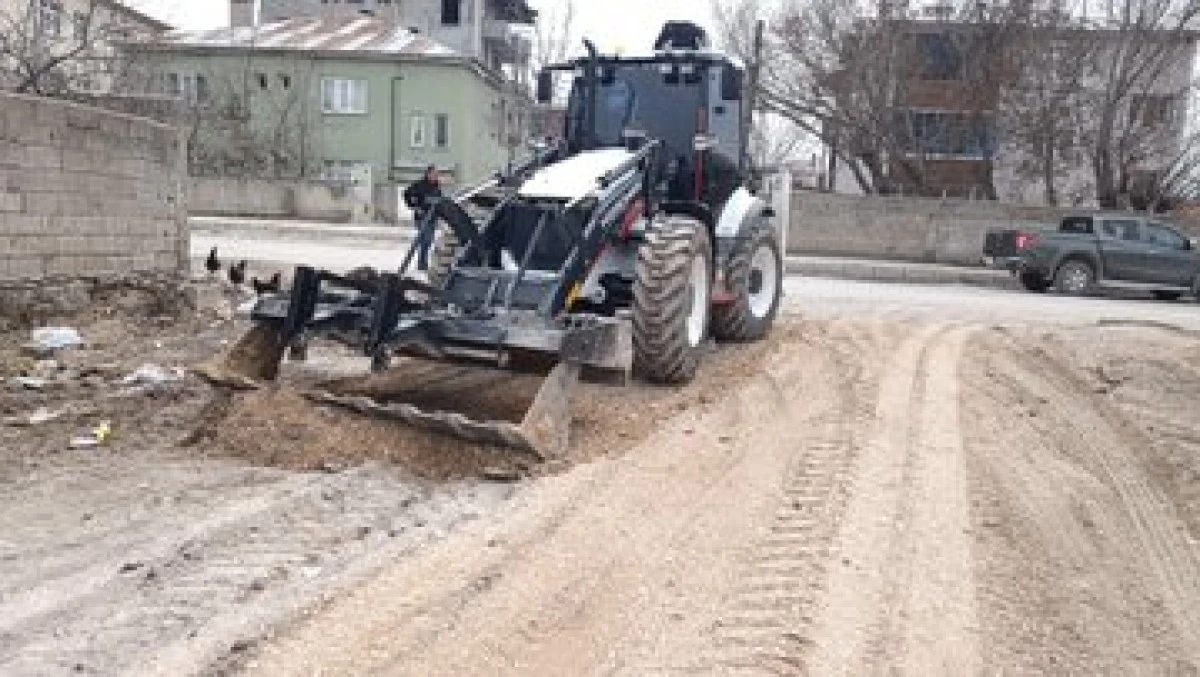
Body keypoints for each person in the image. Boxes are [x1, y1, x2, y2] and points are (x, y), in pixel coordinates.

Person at [403, 165, 443, 270]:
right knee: (425, 239)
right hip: (422, 217)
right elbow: (406, 194)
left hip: (432, 217)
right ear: (428, 174)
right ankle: (422, 264)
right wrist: (414, 207)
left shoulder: (437, 186)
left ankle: (422, 263)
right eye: (434, 174)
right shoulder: (419, 185)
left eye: (437, 174)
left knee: (428, 241)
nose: (436, 176)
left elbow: (439, 200)